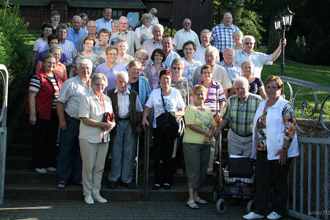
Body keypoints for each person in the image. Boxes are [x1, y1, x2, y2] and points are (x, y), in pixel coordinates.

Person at [243, 75, 299, 220]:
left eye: (274, 87)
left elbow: (291, 128)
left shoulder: (285, 105)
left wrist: (284, 149)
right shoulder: (263, 104)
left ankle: (279, 211)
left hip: (280, 150)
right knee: (262, 180)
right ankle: (258, 211)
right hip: (263, 149)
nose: (271, 90)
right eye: (268, 87)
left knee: (279, 181)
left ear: (280, 89)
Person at [142, 69, 185, 190]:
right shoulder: (155, 93)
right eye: (163, 78)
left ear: (170, 80)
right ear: (160, 80)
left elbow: (182, 110)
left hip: (172, 128)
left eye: (168, 78)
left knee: (170, 155)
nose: (165, 80)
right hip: (158, 128)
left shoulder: (176, 93)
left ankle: (168, 181)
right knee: (158, 155)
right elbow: (147, 108)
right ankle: (158, 181)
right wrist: (144, 118)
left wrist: (172, 115)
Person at [79, 73, 115, 204]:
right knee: (88, 166)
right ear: (92, 85)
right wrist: (102, 125)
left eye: (102, 84)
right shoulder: (86, 98)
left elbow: (111, 117)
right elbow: (84, 119)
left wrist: (112, 124)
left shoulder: (107, 99)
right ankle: (87, 194)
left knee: (100, 167)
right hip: (88, 137)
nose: (100, 86)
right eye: (97, 84)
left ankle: (96, 193)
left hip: (104, 137)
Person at [56, 59, 93, 189]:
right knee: (66, 151)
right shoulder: (70, 83)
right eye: (82, 68)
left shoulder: (94, 84)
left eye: (88, 68)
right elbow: (60, 103)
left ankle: (77, 178)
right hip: (71, 121)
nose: (85, 70)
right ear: (77, 69)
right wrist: (62, 121)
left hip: (87, 124)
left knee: (81, 152)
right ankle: (63, 179)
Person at [107, 71, 143, 189]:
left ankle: (126, 179)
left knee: (129, 152)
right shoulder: (110, 93)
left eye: (125, 81)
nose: (123, 84)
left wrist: (138, 124)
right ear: (115, 82)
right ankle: (114, 178)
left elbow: (138, 111)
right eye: (120, 81)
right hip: (116, 124)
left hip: (129, 124)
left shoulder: (133, 94)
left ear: (128, 82)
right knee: (116, 152)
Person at [28, 53, 62, 174]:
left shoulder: (56, 77)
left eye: (54, 63)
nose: (51, 65)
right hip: (41, 113)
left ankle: (49, 163)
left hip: (54, 113)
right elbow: (32, 96)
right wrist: (32, 114)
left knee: (51, 139)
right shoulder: (37, 77)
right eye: (49, 62)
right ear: (43, 63)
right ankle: (38, 164)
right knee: (40, 139)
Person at [183, 85, 216, 209]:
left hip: (205, 144)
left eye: (202, 94)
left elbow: (213, 124)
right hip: (191, 144)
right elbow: (191, 124)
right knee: (193, 170)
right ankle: (190, 198)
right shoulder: (190, 108)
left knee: (202, 171)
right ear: (194, 96)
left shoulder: (208, 110)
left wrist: (210, 134)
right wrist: (207, 133)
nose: (200, 97)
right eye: (198, 94)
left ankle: (196, 195)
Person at [218, 76, 262, 157]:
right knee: (235, 163)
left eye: (242, 88)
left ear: (248, 88)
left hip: (250, 138)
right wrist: (216, 130)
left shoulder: (258, 100)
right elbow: (225, 118)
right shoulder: (231, 100)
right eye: (237, 89)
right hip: (235, 137)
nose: (240, 91)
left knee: (248, 164)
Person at [198, 65, 226, 175]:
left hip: (214, 118)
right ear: (201, 74)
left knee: (212, 143)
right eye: (204, 72)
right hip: (201, 118)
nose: (207, 74)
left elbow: (222, 101)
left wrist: (221, 113)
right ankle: (202, 164)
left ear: (212, 74)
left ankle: (209, 167)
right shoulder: (198, 86)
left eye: (209, 72)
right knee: (202, 141)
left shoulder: (217, 86)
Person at [170, 58, 193, 175]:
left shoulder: (188, 82)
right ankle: (170, 165)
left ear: (183, 69)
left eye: (179, 68)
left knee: (181, 141)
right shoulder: (168, 82)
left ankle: (179, 164)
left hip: (184, 116)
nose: (177, 70)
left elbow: (191, 100)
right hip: (170, 116)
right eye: (174, 67)